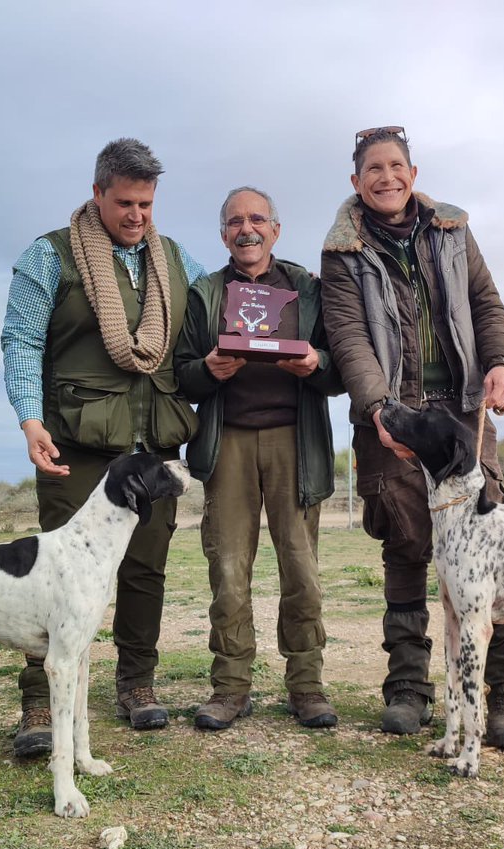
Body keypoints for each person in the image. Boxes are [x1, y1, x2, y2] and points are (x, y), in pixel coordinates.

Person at [320, 126, 504, 746]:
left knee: (488, 543)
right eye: (373, 169)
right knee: (406, 542)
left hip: (463, 413)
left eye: (396, 166)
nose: (386, 178)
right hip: (393, 416)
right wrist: (378, 410)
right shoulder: (341, 252)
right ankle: (408, 689)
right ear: (356, 181)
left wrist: (501, 364)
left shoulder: (453, 230)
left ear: (413, 174)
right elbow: (348, 336)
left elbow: (486, 303)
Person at [1, 138, 207, 756]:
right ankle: (39, 703)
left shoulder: (177, 260)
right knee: (53, 577)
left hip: (153, 446)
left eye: (147, 204)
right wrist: (29, 419)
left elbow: (222, 308)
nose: (137, 215)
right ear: (97, 193)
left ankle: (136, 685)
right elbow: (21, 339)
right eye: (125, 203)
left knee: (145, 570)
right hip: (76, 444)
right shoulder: (50, 256)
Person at [174, 187, 343, 730]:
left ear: (276, 229)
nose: (246, 229)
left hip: (296, 441)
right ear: (223, 234)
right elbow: (181, 373)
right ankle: (229, 688)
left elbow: (341, 367)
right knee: (227, 570)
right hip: (228, 443)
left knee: (302, 569)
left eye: (257, 219)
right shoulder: (204, 293)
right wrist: (208, 370)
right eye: (234, 222)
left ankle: (307, 686)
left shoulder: (308, 290)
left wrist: (317, 364)